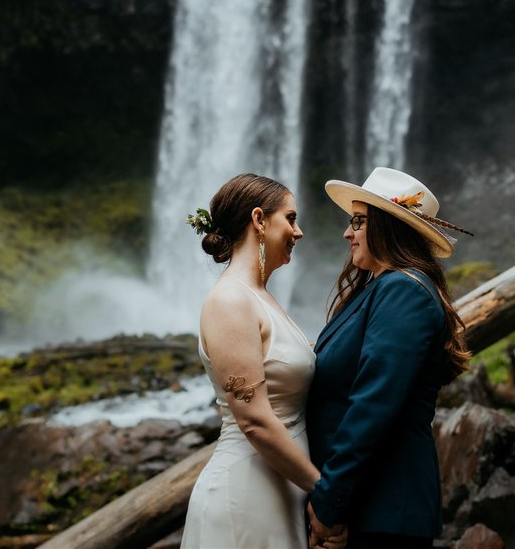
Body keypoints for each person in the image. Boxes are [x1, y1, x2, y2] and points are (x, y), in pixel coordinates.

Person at [306, 166, 474, 549]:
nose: (347, 233)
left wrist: (329, 503)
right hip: (370, 504)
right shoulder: (381, 288)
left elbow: (374, 404)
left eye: (359, 222)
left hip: (383, 510)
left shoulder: (403, 290)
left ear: (388, 226)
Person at [181, 173, 347, 549]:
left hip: (279, 491)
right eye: (290, 218)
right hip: (244, 495)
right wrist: (326, 494)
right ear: (259, 220)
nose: (299, 231)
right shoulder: (230, 302)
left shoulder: (259, 297)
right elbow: (254, 420)